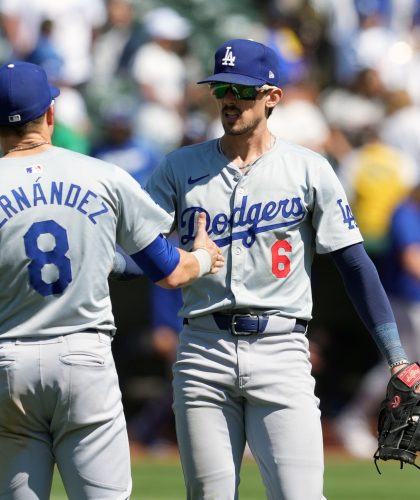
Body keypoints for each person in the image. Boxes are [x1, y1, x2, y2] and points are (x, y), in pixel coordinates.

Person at [0, 61, 223, 499]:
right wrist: (202, 257)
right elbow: (170, 271)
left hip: (8, 363)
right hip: (85, 359)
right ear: (51, 114)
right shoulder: (104, 176)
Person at [144, 38, 412, 500]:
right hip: (203, 347)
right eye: (222, 87)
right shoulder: (179, 166)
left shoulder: (310, 169)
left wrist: (397, 356)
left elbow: (353, 263)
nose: (230, 99)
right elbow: (137, 246)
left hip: (281, 349)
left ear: (272, 97)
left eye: (243, 90)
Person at [335, 182, 420, 458]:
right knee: (398, 367)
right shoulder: (405, 212)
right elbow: (411, 260)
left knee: (404, 369)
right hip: (404, 303)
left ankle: (355, 418)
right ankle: (352, 417)